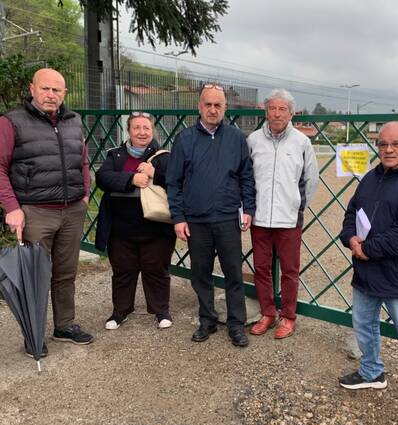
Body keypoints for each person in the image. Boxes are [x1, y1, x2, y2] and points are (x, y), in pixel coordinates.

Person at [338, 121, 398, 425]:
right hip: (367, 272)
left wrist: (369, 249)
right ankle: (371, 372)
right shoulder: (370, 178)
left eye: (395, 144)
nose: (388, 150)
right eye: (382, 144)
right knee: (363, 324)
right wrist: (350, 238)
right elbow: (352, 212)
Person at [0, 68, 94, 356]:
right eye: (46, 89)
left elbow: (84, 161)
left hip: (71, 211)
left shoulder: (74, 120)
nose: (51, 95)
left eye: (57, 90)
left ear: (64, 93)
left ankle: (64, 325)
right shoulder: (11, 122)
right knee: (35, 276)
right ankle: (34, 333)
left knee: (65, 274)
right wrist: (13, 208)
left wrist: (86, 194)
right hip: (35, 212)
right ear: (33, 89)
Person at [166, 83, 255, 347]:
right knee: (200, 273)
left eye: (218, 105)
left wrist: (248, 208)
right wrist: (179, 217)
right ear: (199, 106)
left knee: (233, 274)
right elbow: (174, 182)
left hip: (228, 217)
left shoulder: (236, 139)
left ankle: (236, 324)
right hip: (196, 220)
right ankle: (207, 319)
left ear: (225, 108)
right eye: (208, 104)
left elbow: (246, 177)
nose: (213, 109)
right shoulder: (184, 139)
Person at [247, 89, 319, 339]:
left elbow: (311, 179)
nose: (277, 114)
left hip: (289, 219)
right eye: (273, 109)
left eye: (282, 109)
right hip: (259, 217)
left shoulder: (301, 142)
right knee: (261, 268)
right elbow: (246, 177)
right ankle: (268, 312)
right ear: (265, 111)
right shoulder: (254, 140)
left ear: (291, 113)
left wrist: (298, 206)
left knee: (290, 271)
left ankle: (288, 317)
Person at [94, 112, 176, 330]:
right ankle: (120, 312)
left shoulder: (164, 157)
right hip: (120, 230)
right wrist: (131, 179)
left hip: (156, 228)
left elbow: (177, 181)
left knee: (156, 270)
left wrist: (153, 172)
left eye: (146, 128)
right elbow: (102, 178)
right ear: (128, 131)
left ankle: (161, 310)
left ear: (153, 131)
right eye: (136, 127)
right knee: (123, 271)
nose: (142, 132)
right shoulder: (115, 155)